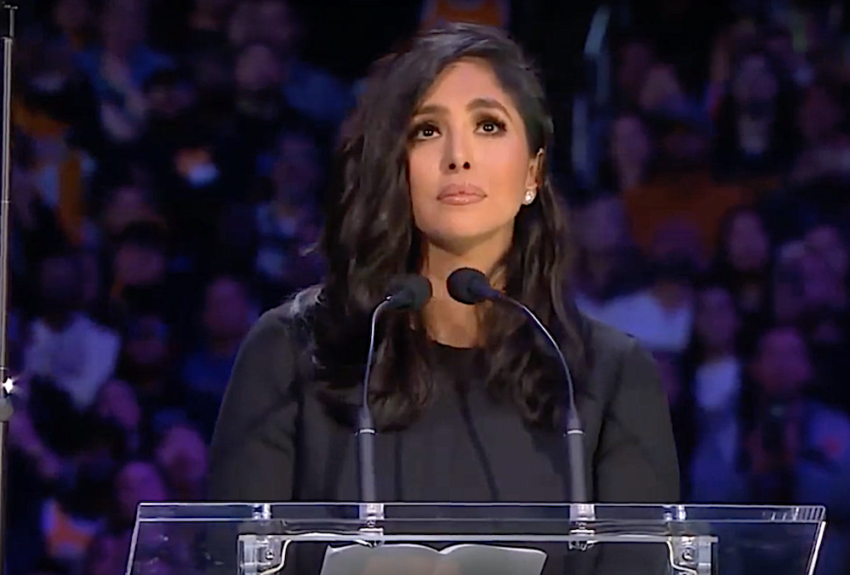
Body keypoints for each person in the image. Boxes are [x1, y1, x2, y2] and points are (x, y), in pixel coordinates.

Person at [209, 24, 678, 574]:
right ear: (395, 164)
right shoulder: (291, 352)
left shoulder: (609, 376)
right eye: (427, 130)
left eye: (488, 125)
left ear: (533, 172)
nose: (459, 156)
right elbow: (232, 559)